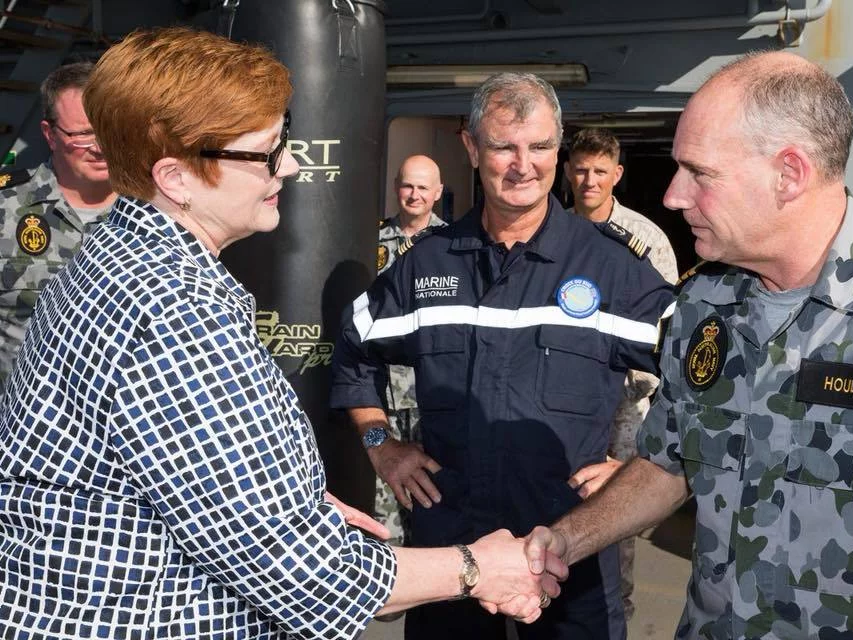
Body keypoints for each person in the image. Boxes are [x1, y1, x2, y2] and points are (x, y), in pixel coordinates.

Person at [0, 27, 561, 640]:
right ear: (176, 177)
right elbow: (306, 577)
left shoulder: (117, 254)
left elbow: (166, 486)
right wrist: (479, 567)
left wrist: (295, 508)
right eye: (267, 152)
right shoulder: (174, 308)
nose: (290, 166)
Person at [525, 50, 853, 639]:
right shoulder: (702, 306)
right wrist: (565, 539)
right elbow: (667, 462)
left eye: (698, 172)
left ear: (790, 173)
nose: (674, 196)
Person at [330, 72, 675, 640]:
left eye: (539, 146)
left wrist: (642, 470)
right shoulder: (426, 266)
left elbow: (700, 380)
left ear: (557, 148)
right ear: (470, 146)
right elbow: (352, 351)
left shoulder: (615, 273)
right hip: (453, 546)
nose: (523, 164)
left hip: (572, 544)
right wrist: (380, 445)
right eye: (503, 146)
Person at [564, 127, 678, 621]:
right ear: (569, 172)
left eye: (600, 171)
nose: (590, 180)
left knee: (618, 500)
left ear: (618, 175)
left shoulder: (644, 238)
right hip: (570, 389)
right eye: (582, 169)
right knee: (567, 488)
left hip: (628, 395)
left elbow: (666, 320)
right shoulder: (555, 230)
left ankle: (618, 605)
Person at [0, 61, 115, 382]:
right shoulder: (7, 206)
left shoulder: (159, 208)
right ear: (50, 135)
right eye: (82, 134)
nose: (99, 147)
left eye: (109, 128)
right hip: (22, 420)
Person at [375, 154, 447, 547]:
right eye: (407, 185)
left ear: (437, 193)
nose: (414, 194)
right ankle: (390, 575)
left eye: (423, 187)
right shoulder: (371, 240)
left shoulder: (453, 245)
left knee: (433, 484)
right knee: (383, 490)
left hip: (430, 393)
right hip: (381, 393)